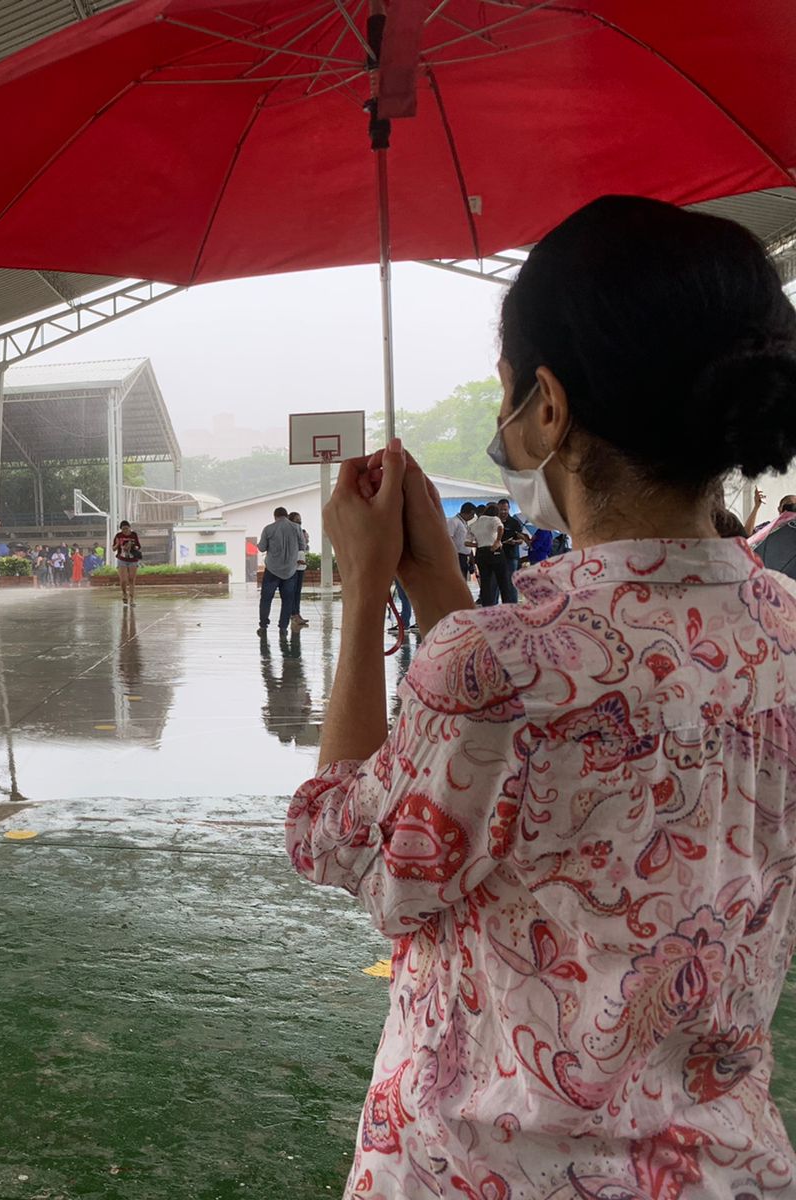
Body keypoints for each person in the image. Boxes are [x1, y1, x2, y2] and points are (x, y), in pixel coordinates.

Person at [287, 195, 796, 1196]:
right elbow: (553, 711)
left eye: (507, 393)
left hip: (481, 1171)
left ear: (548, 410)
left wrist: (360, 591)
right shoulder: (782, 630)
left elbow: (342, 844)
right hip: (719, 1169)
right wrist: (435, 585)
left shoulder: (500, 663)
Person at [257, 506, 302, 634]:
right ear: (286, 515)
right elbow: (302, 546)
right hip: (290, 570)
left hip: (272, 570)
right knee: (287, 600)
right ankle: (283, 627)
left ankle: (263, 625)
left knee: (266, 598)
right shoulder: (296, 528)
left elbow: (262, 548)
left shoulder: (268, 528)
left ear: (275, 516)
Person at [464, 502, 505, 605]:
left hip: (481, 553)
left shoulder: (474, 524)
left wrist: (477, 545)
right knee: (502, 579)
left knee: (485, 581)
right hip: (494, 551)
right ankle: (508, 603)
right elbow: (501, 527)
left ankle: (486, 605)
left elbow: (466, 542)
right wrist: (498, 541)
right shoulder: (494, 519)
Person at [285, 511, 309, 629]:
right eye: (297, 520)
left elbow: (303, 548)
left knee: (298, 591)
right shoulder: (289, 534)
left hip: (301, 567)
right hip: (292, 567)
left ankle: (297, 613)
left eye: (300, 519)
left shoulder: (301, 532)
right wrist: (295, 560)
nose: (299, 522)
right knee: (293, 591)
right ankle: (293, 614)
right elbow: (288, 550)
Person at [111, 520, 141, 605]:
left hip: (133, 559)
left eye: (127, 529)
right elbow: (113, 549)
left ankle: (131, 599)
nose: (125, 531)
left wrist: (134, 547)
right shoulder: (118, 536)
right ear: (121, 529)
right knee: (123, 580)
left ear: (130, 528)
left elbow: (139, 545)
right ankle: (124, 593)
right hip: (122, 559)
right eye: (123, 529)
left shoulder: (134, 535)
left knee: (132, 579)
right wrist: (118, 544)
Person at [446, 504, 472, 579]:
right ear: (470, 513)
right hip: (457, 555)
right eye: (472, 515)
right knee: (459, 578)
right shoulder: (454, 521)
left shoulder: (464, 522)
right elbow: (449, 538)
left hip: (464, 556)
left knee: (464, 578)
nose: (473, 517)